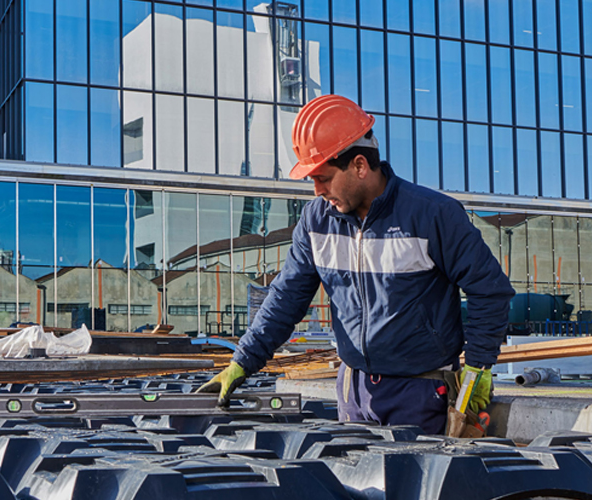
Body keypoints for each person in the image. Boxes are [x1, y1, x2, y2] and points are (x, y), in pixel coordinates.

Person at [197, 95, 514, 435]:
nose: (317, 190)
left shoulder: (432, 215)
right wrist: (243, 361)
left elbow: (490, 290)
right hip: (353, 392)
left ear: (360, 166)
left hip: (421, 393)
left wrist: (479, 365)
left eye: (323, 177)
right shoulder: (316, 222)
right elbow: (285, 298)